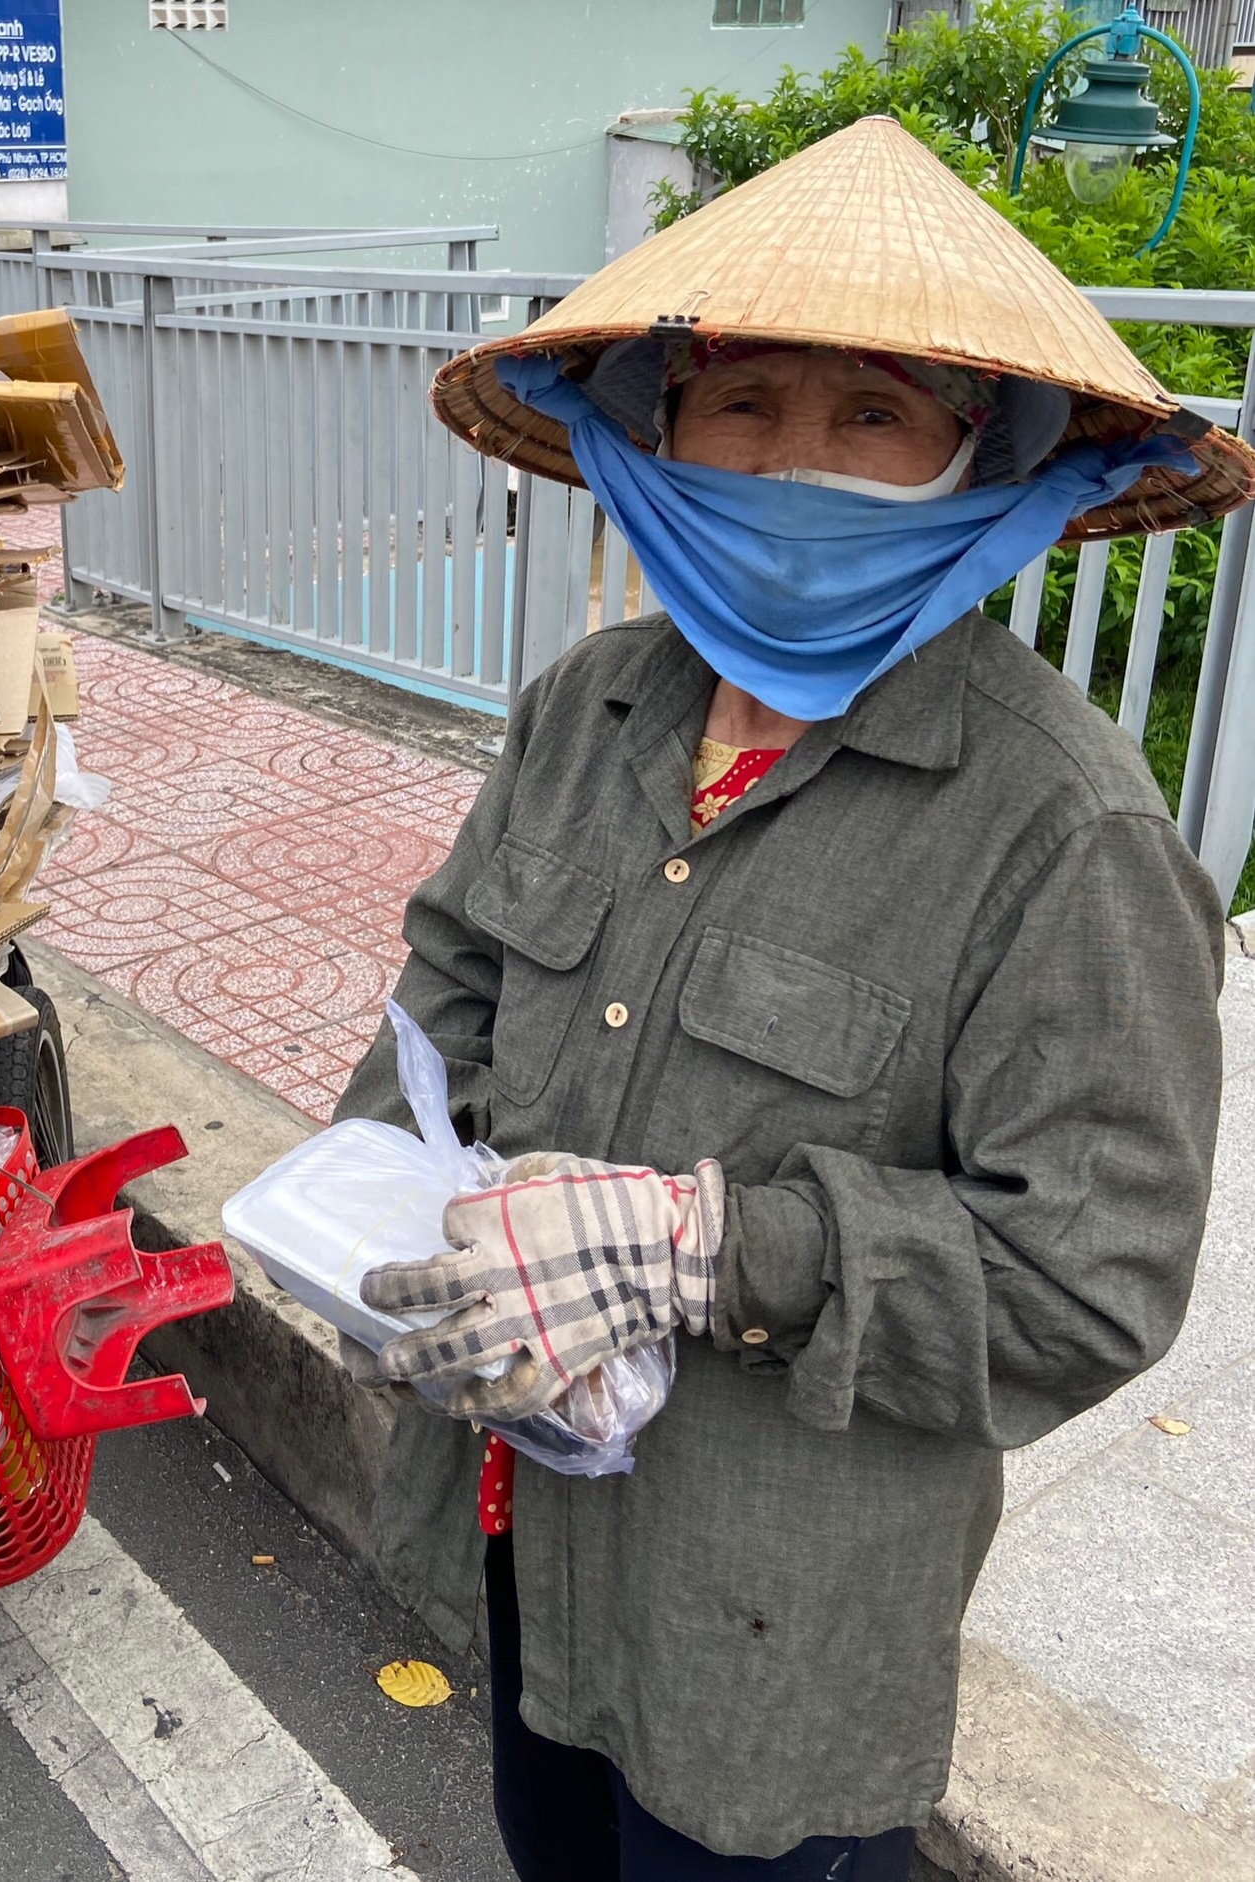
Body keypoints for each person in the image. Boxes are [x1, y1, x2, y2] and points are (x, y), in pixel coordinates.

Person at [332, 117, 1255, 1881]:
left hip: (773, 1629)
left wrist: (699, 1248)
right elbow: (440, 999)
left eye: (874, 417)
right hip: (529, 1534)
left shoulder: (1065, 833)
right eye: (744, 403)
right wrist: (374, 1207)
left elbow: (1091, 1279)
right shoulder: (585, 709)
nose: (796, 467)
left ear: (979, 465)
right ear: (659, 429)